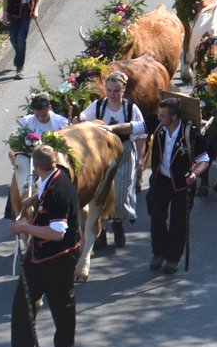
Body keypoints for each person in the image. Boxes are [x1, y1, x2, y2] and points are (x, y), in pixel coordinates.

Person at [4, 145, 81, 347]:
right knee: (23, 300)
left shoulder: (58, 193)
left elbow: (57, 233)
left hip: (59, 256)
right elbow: (47, 192)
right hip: (39, 253)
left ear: (36, 168)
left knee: (60, 302)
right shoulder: (57, 175)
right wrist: (34, 199)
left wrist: (24, 228)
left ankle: (65, 344)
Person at [141, 97, 209, 275]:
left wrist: (195, 174)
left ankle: (172, 258)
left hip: (182, 185)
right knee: (156, 217)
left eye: (163, 115)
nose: (158, 117)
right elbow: (135, 127)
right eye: (159, 114)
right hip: (160, 181)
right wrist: (110, 128)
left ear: (174, 117)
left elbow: (204, 160)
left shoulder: (191, 133)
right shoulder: (158, 126)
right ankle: (158, 252)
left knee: (179, 222)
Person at [80, 71, 146, 249]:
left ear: (124, 90)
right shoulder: (99, 105)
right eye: (109, 90)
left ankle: (118, 224)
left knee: (120, 195)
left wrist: (141, 159)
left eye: (116, 90)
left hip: (124, 154)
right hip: (102, 156)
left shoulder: (131, 109)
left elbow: (140, 133)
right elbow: (83, 119)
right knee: (101, 194)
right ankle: (100, 231)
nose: (112, 94)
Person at [0, 0, 41, 80]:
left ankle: (19, 68)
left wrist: (36, 10)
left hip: (26, 12)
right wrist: (5, 14)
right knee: (13, 38)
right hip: (13, 13)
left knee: (21, 38)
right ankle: (19, 55)